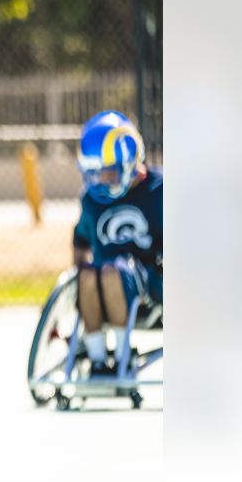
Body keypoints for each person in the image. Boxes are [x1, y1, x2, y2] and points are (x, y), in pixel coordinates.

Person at [71, 110, 162, 376]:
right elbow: (80, 242)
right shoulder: (91, 200)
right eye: (94, 174)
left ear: (129, 162)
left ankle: (123, 354)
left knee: (112, 271)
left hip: (147, 284)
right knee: (87, 273)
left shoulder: (160, 191)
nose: (99, 181)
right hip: (100, 281)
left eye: (107, 173)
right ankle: (97, 359)